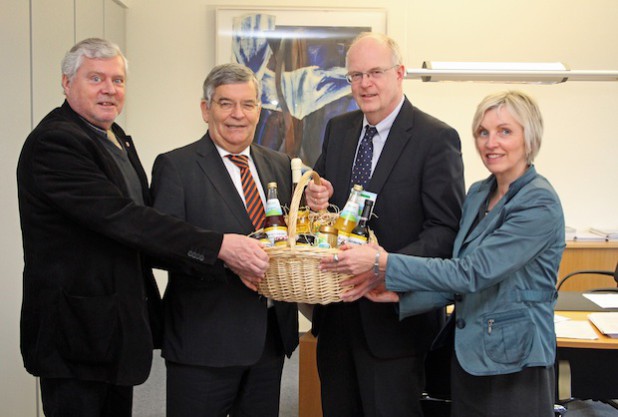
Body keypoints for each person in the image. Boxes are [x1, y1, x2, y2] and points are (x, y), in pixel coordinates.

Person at [17, 38, 270, 417]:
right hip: (76, 333)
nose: (109, 89)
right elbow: (125, 219)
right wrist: (219, 246)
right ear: (67, 83)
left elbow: (147, 217)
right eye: (96, 78)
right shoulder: (56, 143)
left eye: (117, 80)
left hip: (113, 330)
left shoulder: (114, 137)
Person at [322, 90, 565, 417]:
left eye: (505, 131)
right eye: (483, 132)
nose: (491, 142)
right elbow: (457, 278)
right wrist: (401, 297)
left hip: (514, 361)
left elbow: (471, 272)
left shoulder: (538, 202)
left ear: (529, 137)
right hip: (468, 356)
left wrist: (384, 262)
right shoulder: (480, 193)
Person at [305, 32, 465, 417]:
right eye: (356, 75)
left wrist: (384, 267)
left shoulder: (436, 138)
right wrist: (317, 196)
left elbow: (445, 231)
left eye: (375, 72)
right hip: (338, 317)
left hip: (395, 323)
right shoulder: (339, 130)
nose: (365, 84)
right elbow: (328, 203)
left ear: (400, 73)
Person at [149, 63, 299, 417]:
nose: (237, 115)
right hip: (205, 343)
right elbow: (160, 246)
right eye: (225, 104)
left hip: (269, 341)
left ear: (258, 111)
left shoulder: (278, 164)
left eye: (247, 105)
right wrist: (224, 256)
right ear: (206, 109)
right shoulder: (177, 166)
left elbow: (283, 236)